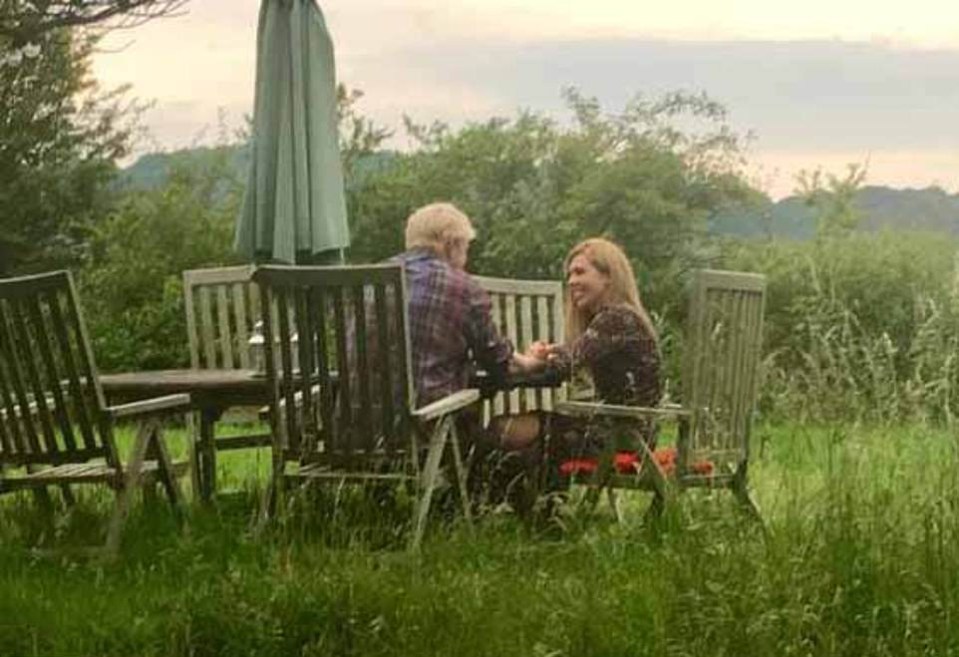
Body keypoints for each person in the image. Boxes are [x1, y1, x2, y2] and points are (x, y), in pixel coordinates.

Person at [488, 237, 662, 510]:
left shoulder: (616, 318)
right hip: (628, 431)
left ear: (608, 277)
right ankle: (544, 514)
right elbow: (574, 357)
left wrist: (521, 361)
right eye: (569, 274)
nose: (571, 281)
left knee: (514, 430)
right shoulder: (621, 318)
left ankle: (531, 513)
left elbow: (563, 369)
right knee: (533, 432)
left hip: (623, 436)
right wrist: (550, 356)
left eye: (580, 272)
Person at [391, 202, 541, 407]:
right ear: (451, 244)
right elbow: (497, 362)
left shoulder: (369, 281)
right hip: (421, 423)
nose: (465, 260)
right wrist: (528, 363)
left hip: (354, 426)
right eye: (466, 249)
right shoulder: (462, 287)